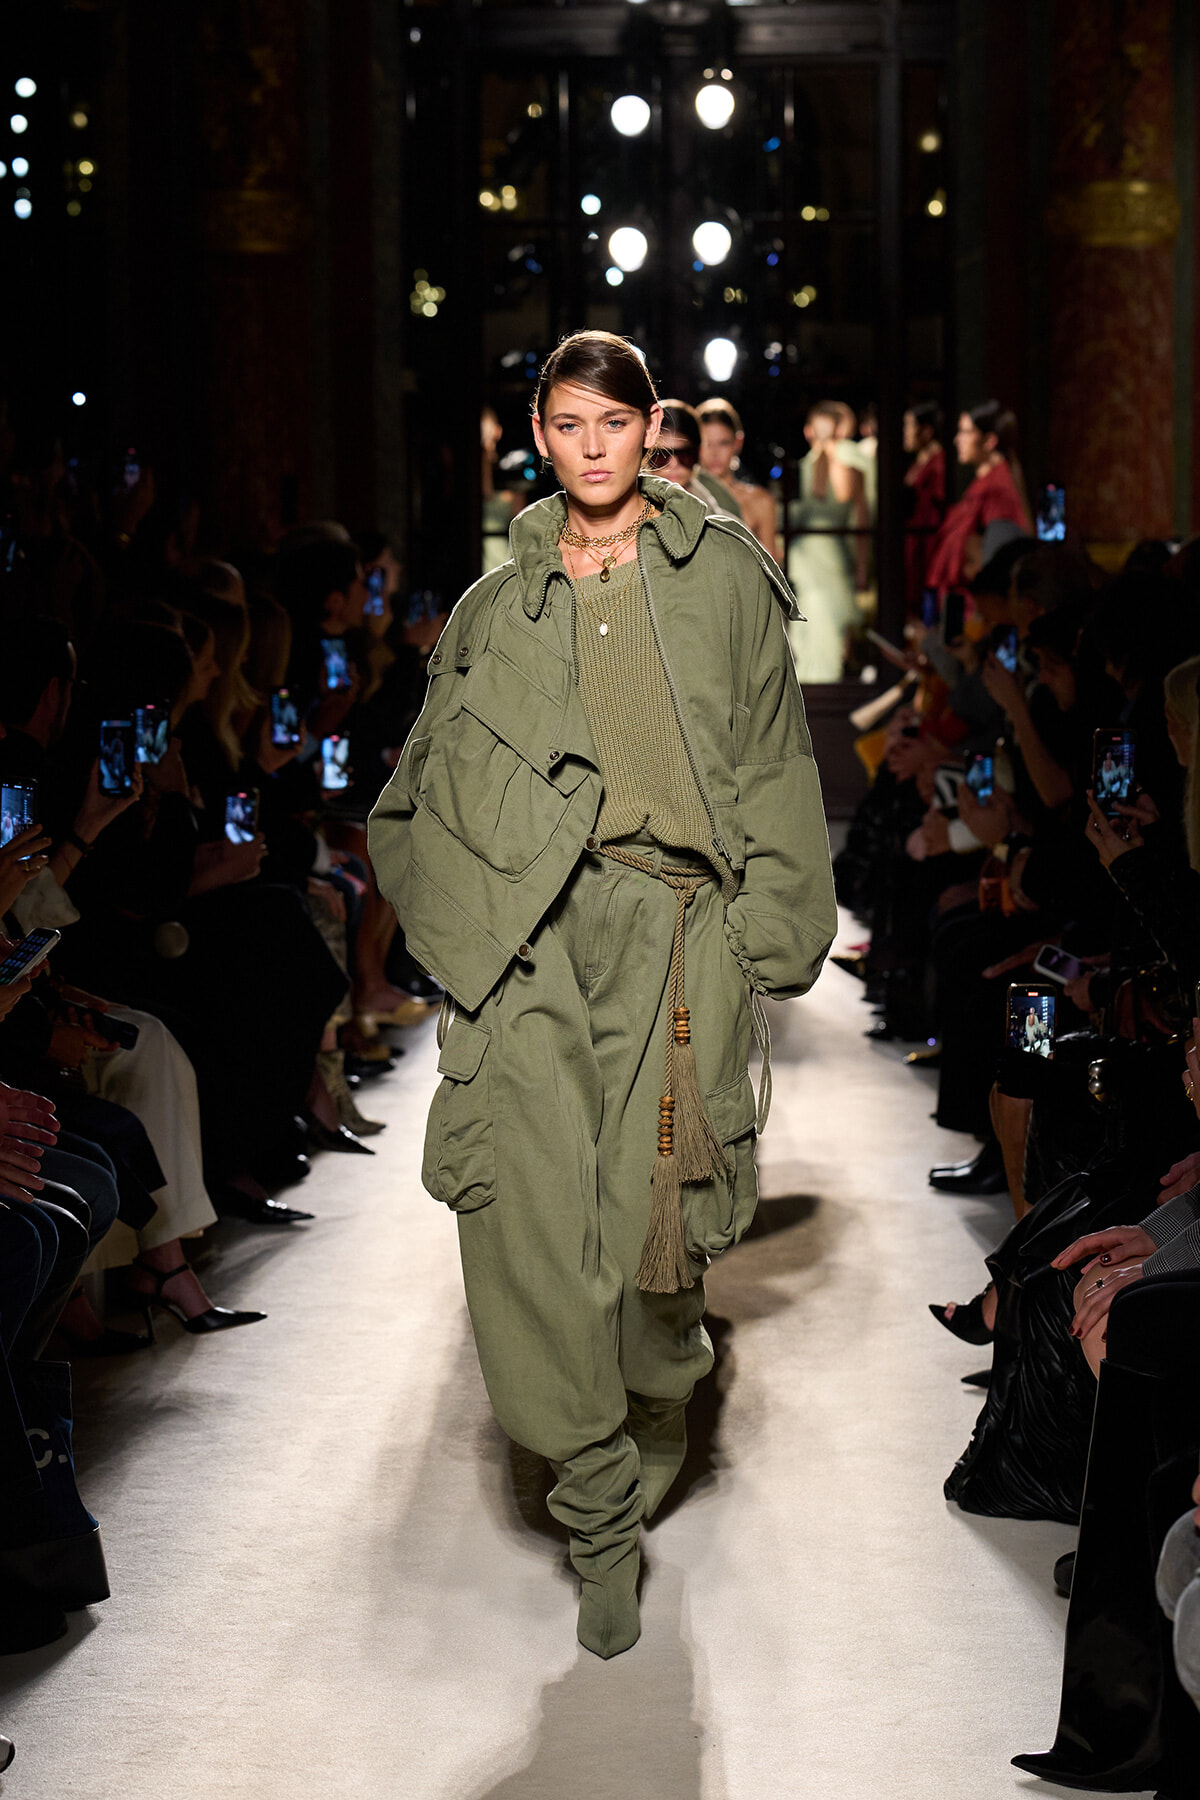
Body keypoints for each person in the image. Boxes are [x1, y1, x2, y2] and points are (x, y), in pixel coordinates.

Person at [370, 329, 836, 1660]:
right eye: (566, 424)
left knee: (656, 1236)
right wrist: (474, 942)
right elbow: (422, 798)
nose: (591, 448)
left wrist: (761, 938)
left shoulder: (724, 586)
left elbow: (768, 761)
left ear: (649, 433)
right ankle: (598, 1511)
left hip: (679, 929)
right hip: (534, 939)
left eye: (613, 425)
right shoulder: (492, 607)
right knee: (525, 1222)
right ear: (536, 430)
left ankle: (647, 1418)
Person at [786, 401, 870, 683]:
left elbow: (856, 516)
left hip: (832, 555)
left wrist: (861, 570)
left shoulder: (851, 470)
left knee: (829, 627)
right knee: (807, 628)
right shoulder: (799, 469)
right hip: (804, 558)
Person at [925, 400, 1032, 597]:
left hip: (978, 609)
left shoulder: (997, 490)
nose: (958, 440)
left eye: (965, 432)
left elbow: (996, 568)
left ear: (990, 441)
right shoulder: (985, 484)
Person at [696, 398, 777, 551]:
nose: (714, 453)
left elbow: (771, 567)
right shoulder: (683, 494)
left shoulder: (760, 500)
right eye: (706, 443)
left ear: (737, 443)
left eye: (723, 443)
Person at [903, 400, 946, 609]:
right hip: (915, 540)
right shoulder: (919, 460)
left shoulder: (937, 463)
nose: (905, 432)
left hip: (928, 542)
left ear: (926, 431)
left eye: (909, 426)